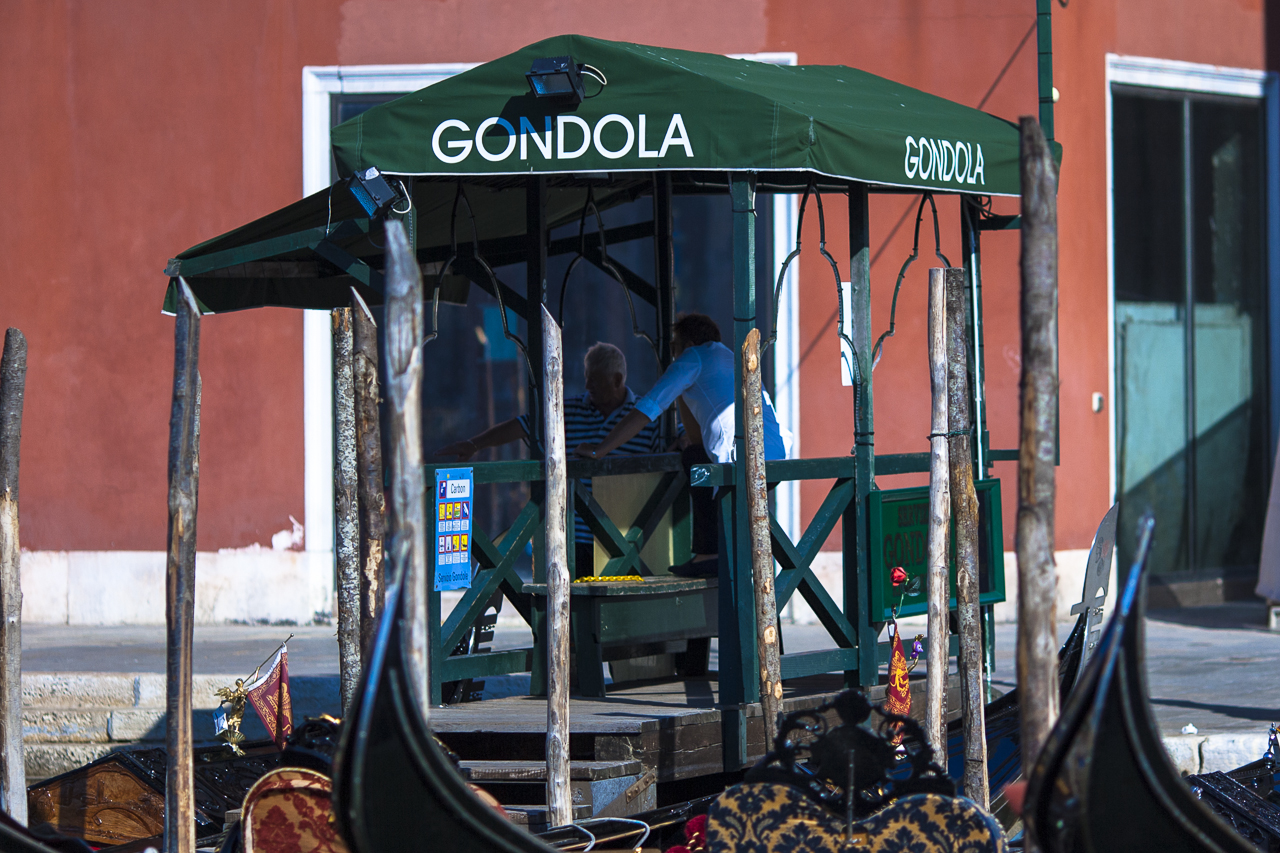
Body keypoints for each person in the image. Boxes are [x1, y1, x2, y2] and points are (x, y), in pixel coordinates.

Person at [574, 313, 791, 576]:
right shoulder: (728, 357)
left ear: (687, 344)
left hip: (742, 461)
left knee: (696, 461)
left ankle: (709, 554)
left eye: (673, 346)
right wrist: (681, 391)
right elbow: (697, 439)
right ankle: (720, 555)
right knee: (697, 456)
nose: (672, 354)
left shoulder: (693, 357)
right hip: (776, 458)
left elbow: (647, 408)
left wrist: (600, 449)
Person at [435, 342, 661, 576]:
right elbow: (522, 425)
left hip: (626, 538)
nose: (587, 386)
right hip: (573, 538)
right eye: (587, 378)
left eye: (595, 380)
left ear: (617, 380)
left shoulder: (646, 417)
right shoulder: (567, 411)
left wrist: (681, 442)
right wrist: (474, 445)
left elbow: (675, 439)